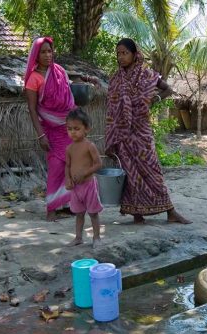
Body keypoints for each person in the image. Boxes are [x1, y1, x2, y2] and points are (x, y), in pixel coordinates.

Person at [105, 38, 191, 225]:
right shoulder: (116, 79)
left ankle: (170, 211)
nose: (120, 57)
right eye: (118, 53)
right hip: (124, 134)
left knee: (153, 169)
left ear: (135, 54)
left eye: (124, 53)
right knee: (130, 173)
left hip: (141, 131)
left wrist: (154, 100)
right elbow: (111, 107)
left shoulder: (147, 74)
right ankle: (137, 214)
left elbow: (168, 89)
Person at [24, 37, 76, 221]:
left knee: (70, 165)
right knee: (55, 166)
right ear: (36, 56)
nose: (47, 55)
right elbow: (32, 108)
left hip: (68, 128)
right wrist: (41, 135)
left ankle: (69, 204)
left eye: (50, 51)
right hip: (51, 130)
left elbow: (68, 98)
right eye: (43, 52)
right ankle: (51, 208)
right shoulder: (34, 78)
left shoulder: (59, 71)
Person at [65, 108, 103, 247]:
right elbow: (67, 166)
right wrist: (67, 179)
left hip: (89, 185)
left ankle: (97, 238)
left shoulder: (89, 146)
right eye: (69, 129)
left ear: (86, 129)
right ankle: (78, 237)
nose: (73, 132)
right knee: (79, 213)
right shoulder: (69, 149)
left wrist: (85, 173)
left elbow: (98, 164)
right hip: (76, 187)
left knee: (93, 213)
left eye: (77, 128)